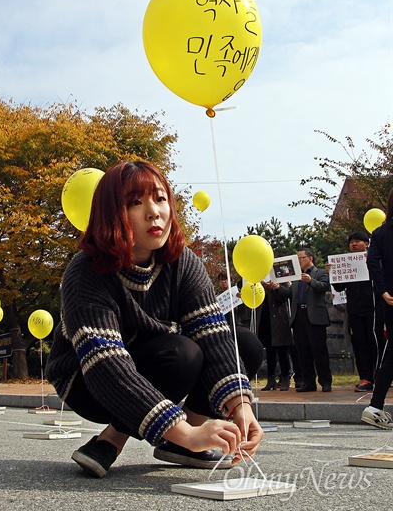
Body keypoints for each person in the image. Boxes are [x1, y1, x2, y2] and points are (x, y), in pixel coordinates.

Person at [46, 160, 264, 478]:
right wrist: (186, 433)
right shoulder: (86, 272)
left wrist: (241, 406)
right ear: (111, 212)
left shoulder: (182, 262)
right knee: (181, 353)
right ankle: (114, 438)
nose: (154, 212)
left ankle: (177, 442)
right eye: (136, 203)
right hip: (86, 380)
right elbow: (106, 365)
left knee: (243, 343)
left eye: (160, 199)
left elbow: (213, 333)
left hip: (155, 359)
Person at [331, 231, 385, 393]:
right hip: (355, 310)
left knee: (375, 343)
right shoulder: (347, 263)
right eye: (351, 242)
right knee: (360, 344)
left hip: (373, 308)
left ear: (366, 243)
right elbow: (340, 287)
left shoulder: (374, 260)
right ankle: (365, 377)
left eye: (357, 241)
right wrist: (334, 273)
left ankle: (380, 375)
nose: (353, 244)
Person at [273, 248, 332, 392]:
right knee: (303, 351)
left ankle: (325, 381)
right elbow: (289, 294)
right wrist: (276, 288)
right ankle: (309, 382)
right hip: (299, 316)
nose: (299, 261)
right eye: (298, 258)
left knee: (319, 351)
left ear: (310, 258)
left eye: (301, 258)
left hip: (315, 317)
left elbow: (325, 287)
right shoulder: (296, 277)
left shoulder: (320, 273)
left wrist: (311, 281)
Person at [361, 190, 393, 429]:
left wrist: (382, 291)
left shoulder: (380, 233)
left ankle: (375, 405)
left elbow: (372, 261)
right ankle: (375, 405)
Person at [258, 282, 293, 391]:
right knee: (269, 351)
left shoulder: (281, 278)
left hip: (279, 318)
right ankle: (270, 378)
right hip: (265, 317)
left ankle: (285, 377)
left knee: (282, 350)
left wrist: (274, 287)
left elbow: (286, 295)